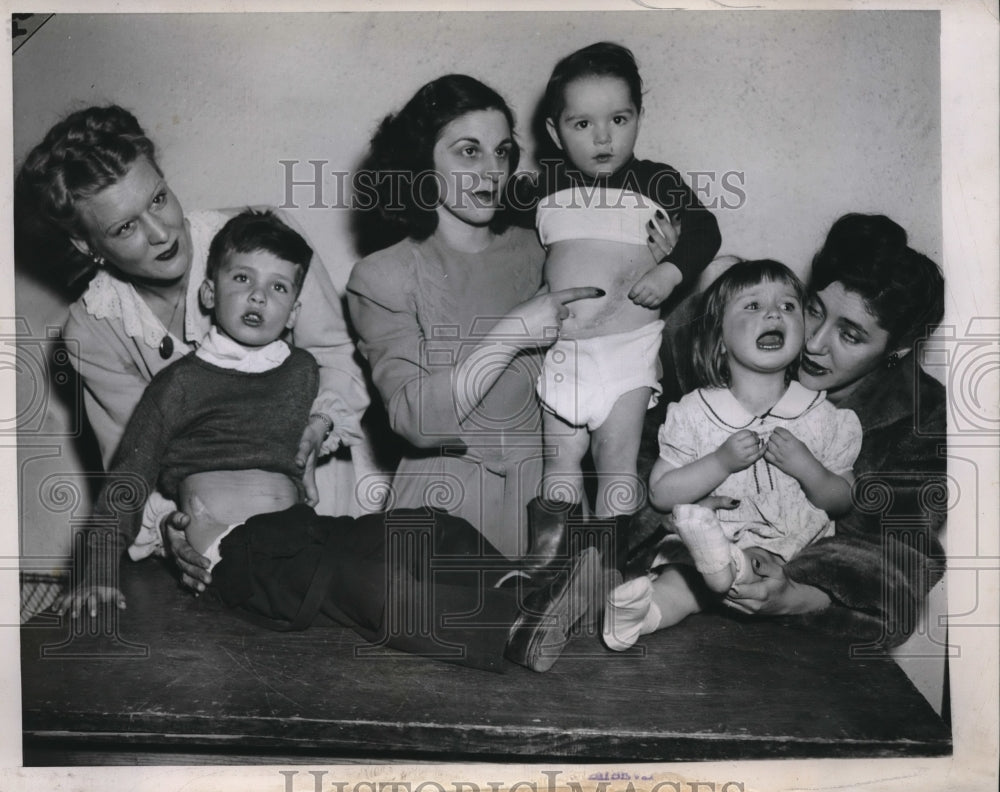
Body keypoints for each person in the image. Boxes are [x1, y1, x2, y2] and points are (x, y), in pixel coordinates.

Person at [58, 208, 607, 674]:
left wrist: (315, 446)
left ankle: (523, 587)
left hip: (305, 530)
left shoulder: (298, 371)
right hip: (236, 553)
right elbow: (127, 480)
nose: (258, 297)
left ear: (294, 310)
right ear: (209, 291)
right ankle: (509, 629)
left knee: (430, 528)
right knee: (362, 582)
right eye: (241, 279)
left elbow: (323, 418)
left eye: (278, 288)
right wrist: (96, 570)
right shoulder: (178, 382)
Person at [15, 105, 369, 576]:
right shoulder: (93, 329)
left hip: (313, 498)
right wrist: (169, 526)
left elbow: (336, 356)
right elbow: (134, 458)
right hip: (212, 538)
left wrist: (319, 425)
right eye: (125, 227)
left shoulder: (258, 238)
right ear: (87, 246)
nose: (161, 234)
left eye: (158, 199)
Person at [346, 74, 604, 559]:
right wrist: (511, 335)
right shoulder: (382, 276)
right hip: (445, 502)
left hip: (549, 496)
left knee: (587, 609)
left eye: (502, 151)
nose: (492, 171)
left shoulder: (544, 247)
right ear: (422, 160)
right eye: (469, 151)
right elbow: (416, 420)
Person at [507, 42, 722, 570]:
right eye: (582, 124)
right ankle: (550, 563)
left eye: (618, 118)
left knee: (616, 462)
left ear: (639, 118)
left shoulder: (656, 181)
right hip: (567, 352)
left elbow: (706, 230)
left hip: (628, 351)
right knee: (559, 461)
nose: (603, 137)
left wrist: (670, 270)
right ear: (555, 133)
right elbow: (488, 204)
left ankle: (603, 566)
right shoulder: (545, 186)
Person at [603, 260, 862, 650]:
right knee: (678, 586)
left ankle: (729, 569)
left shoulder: (824, 418)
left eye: (789, 306)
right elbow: (661, 493)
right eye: (753, 306)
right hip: (710, 543)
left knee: (744, 570)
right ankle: (632, 620)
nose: (775, 312)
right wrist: (719, 463)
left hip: (788, 562)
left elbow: (842, 501)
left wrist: (806, 468)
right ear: (720, 337)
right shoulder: (694, 412)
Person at [725, 214, 947, 648]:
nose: (812, 343)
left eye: (849, 335)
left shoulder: (921, 415)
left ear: (895, 351)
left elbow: (901, 566)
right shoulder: (753, 341)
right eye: (813, 311)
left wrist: (796, 597)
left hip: (809, 648)